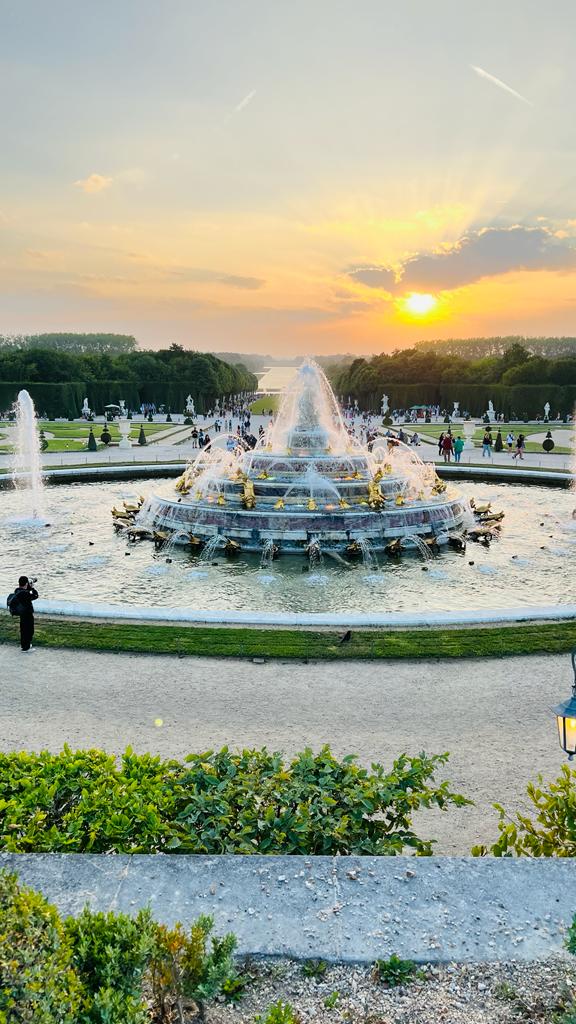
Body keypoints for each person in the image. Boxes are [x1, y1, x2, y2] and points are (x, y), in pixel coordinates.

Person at [11, 576, 38, 652]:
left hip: (22, 614)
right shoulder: (25, 593)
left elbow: (26, 594)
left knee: (23, 630)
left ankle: (25, 645)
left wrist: (28, 588)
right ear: (26, 583)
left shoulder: (17, 590)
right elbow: (35, 596)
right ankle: (26, 648)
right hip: (27, 614)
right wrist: (32, 588)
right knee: (29, 630)